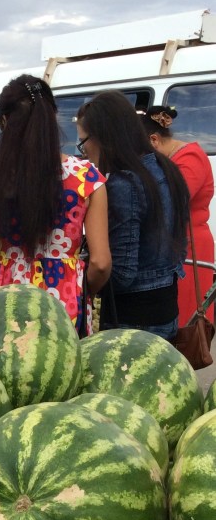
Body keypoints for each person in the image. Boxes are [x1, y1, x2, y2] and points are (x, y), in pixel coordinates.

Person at [0, 75, 111, 334]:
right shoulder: (87, 178)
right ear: (52, 117)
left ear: (5, 121)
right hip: (64, 302)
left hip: (6, 301)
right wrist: (78, 288)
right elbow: (100, 263)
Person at [76, 91, 190, 340]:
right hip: (167, 309)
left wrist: (85, 284)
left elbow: (121, 272)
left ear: (102, 137)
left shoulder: (123, 183)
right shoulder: (166, 167)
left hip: (133, 321)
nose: (83, 153)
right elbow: (180, 249)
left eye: (83, 143)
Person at [140, 106, 215, 325]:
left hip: (190, 251)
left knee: (184, 324)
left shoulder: (191, 158)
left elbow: (169, 202)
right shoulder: (177, 158)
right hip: (176, 246)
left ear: (154, 140)